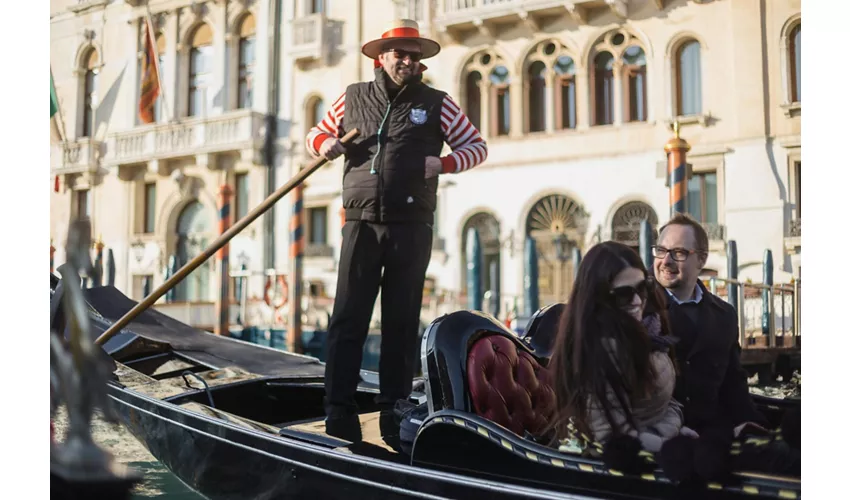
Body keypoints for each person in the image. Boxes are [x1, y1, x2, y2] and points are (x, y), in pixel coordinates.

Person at [305, 19, 488, 441]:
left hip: (412, 223)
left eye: (413, 55)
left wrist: (441, 163)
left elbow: (476, 147)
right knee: (348, 316)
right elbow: (317, 133)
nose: (406, 60)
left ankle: (394, 403)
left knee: (402, 319)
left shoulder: (437, 103)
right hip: (361, 220)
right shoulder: (352, 98)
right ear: (381, 57)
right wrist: (325, 145)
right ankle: (337, 405)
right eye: (399, 53)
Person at [549, 242, 692, 466]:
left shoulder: (649, 330)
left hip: (654, 446)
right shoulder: (598, 350)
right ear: (600, 297)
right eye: (624, 294)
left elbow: (669, 403)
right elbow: (614, 437)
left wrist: (672, 433)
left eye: (642, 288)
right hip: (616, 468)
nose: (637, 301)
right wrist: (671, 442)